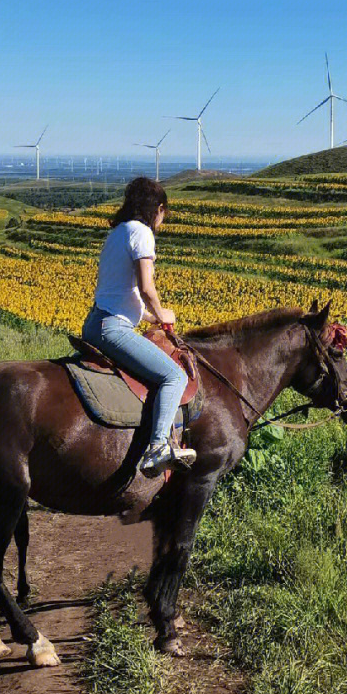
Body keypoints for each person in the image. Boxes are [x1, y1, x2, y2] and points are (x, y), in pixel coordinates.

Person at [81, 177, 197, 477]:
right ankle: (158, 446)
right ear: (158, 208)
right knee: (174, 376)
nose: (161, 221)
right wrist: (162, 311)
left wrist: (150, 318)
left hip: (95, 322)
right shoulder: (142, 233)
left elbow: (122, 293)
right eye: (163, 215)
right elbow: (146, 287)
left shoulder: (118, 233)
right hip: (112, 328)